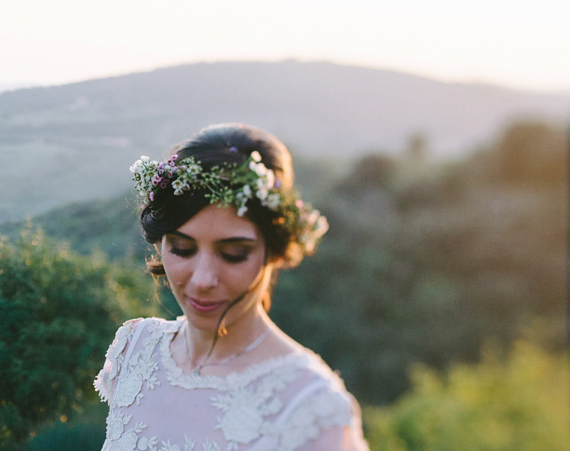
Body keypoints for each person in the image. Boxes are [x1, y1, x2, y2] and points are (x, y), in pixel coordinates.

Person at [95, 123, 369, 451]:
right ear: (160, 243)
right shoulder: (136, 349)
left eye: (233, 254)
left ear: (274, 251)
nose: (202, 279)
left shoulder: (309, 404)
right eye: (182, 248)